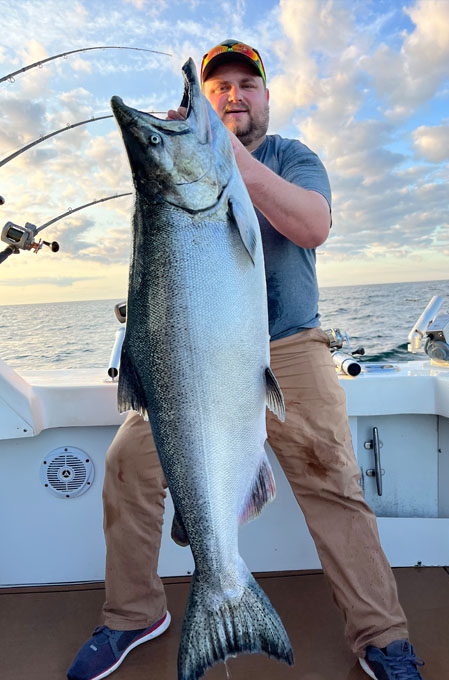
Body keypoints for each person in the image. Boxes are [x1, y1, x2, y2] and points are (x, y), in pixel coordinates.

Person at [68, 40, 425, 680]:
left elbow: (314, 226)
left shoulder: (290, 157)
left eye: (246, 85)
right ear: (204, 102)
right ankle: (132, 614)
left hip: (290, 344)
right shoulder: (176, 179)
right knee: (126, 463)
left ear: (265, 96)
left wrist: (233, 162)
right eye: (220, 87)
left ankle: (383, 637)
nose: (233, 95)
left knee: (332, 477)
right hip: (191, 359)